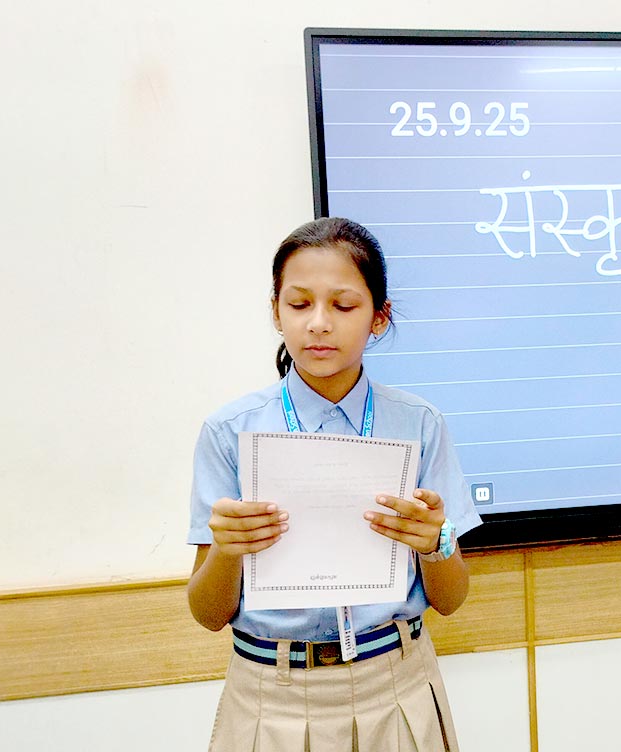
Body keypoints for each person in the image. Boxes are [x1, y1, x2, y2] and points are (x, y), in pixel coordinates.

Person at [187, 217, 482, 752]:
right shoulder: (231, 432)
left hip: (395, 682)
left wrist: (434, 543)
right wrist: (228, 552)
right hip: (269, 693)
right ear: (275, 311)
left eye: (343, 306)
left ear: (378, 317)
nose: (318, 324)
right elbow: (208, 614)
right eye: (299, 304)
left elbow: (453, 599)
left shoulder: (418, 424)